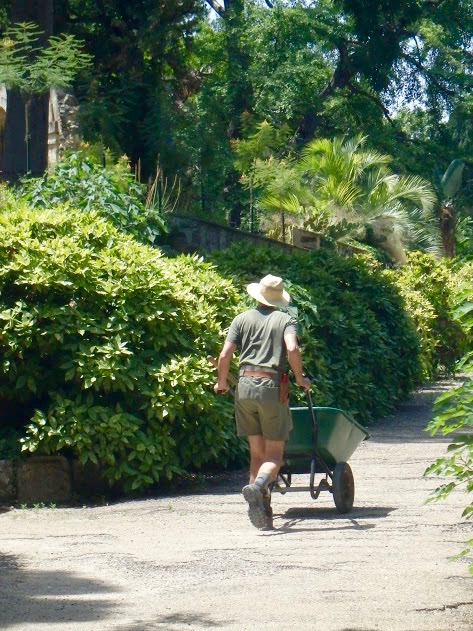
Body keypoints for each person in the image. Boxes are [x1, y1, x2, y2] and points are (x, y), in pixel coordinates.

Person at [214, 274, 310, 530]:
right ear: (278, 299)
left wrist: (222, 382)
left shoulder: (241, 319)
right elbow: (291, 349)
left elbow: (225, 353)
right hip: (271, 387)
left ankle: (261, 508)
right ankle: (258, 487)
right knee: (274, 455)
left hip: (244, 386)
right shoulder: (285, 319)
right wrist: (300, 377)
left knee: (256, 453)